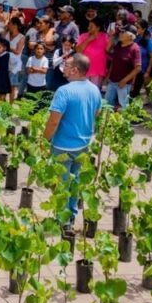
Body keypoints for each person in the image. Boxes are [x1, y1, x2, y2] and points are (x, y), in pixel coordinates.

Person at [43, 53, 102, 221]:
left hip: (62, 146)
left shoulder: (64, 91)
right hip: (83, 145)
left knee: (61, 183)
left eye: (66, 66)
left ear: (75, 70)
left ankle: (61, 220)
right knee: (75, 182)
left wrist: (44, 139)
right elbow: (97, 113)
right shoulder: (95, 89)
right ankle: (71, 217)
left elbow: (54, 121)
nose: (63, 69)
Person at [104, 26, 141, 110]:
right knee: (106, 104)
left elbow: (138, 68)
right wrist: (108, 75)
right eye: (120, 32)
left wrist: (125, 80)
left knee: (123, 106)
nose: (120, 34)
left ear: (130, 36)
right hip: (112, 81)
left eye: (123, 32)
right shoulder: (118, 45)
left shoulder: (135, 48)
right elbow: (108, 53)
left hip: (124, 84)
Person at [76, 17, 110, 87]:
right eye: (88, 26)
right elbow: (78, 51)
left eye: (91, 26)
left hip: (98, 70)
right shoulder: (83, 36)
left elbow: (108, 50)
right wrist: (88, 40)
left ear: (98, 28)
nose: (88, 28)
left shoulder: (104, 36)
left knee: (95, 90)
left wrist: (111, 37)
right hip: (84, 69)